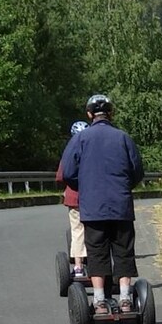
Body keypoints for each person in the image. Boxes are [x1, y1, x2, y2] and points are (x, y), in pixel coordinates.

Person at [59, 94, 145, 312]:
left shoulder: (80, 139)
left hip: (93, 206)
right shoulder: (123, 138)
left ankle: (98, 300)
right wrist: (122, 188)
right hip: (121, 204)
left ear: (89, 114)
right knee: (123, 250)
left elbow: (68, 172)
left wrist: (86, 186)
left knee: (97, 251)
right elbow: (137, 172)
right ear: (111, 113)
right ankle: (125, 297)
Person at [56, 120, 88, 281]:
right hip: (93, 197)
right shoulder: (93, 153)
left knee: (77, 231)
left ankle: (78, 266)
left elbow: (61, 176)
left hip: (74, 197)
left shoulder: (69, 153)